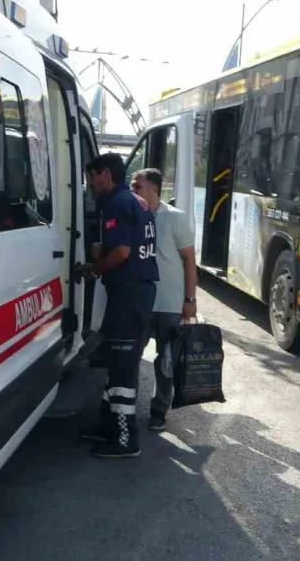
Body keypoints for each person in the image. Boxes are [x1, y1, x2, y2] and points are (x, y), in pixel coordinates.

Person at [75, 153, 159, 459]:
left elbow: (123, 253)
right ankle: (109, 426)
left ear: (106, 174)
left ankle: (125, 440)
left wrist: (95, 267)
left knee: (123, 368)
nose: (90, 184)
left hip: (129, 294)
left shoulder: (118, 203)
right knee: (115, 362)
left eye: (92, 177)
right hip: (133, 293)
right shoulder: (137, 201)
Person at [130, 168, 198, 432]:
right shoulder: (133, 215)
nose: (133, 191)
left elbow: (189, 260)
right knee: (133, 354)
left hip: (169, 301)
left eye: (138, 187)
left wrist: (190, 299)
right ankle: (126, 409)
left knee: (166, 360)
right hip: (140, 300)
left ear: (154, 190)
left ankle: (159, 409)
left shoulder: (175, 219)